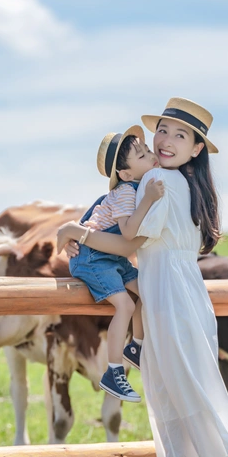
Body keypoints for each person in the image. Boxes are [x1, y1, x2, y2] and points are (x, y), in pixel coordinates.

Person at [57, 98, 228, 457]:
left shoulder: (156, 182)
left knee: (187, 418)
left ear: (196, 149)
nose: (165, 140)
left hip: (168, 302)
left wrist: (75, 232)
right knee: (186, 414)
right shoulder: (189, 185)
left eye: (180, 135)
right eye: (162, 130)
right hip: (182, 299)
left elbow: (129, 244)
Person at [71, 124, 165, 403]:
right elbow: (126, 232)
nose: (150, 154)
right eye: (141, 154)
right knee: (124, 304)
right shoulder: (126, 191)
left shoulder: (134, 188)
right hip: (93, 259)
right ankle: (113, 372)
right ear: (125, 173)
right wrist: (148, 199)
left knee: (144, 290)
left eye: (147, 149)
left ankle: (135, 347)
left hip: (113, 258)